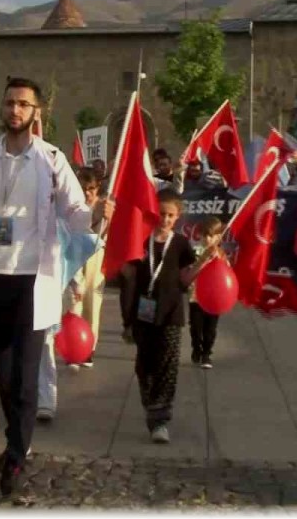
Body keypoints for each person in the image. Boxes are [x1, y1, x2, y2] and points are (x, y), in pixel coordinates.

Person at [0, 76, 111, 499]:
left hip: (32, 280)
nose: (15, 110)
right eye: (9, 103)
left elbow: (75, 211)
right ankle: (14, 440)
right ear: (2, 109)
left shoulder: (52, 160)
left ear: (36, 112)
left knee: (25, 375)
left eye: (23, 104)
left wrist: (94, 214)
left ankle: (17, 459)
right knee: (2, 372)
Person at [120, 189, 198, 444]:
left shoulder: (181, 244)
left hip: (171, 314)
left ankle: (160, 421)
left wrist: (204, 263)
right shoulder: (141, 240)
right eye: (161, 214)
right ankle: (151, 405)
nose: (165, 219)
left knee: (168, 367)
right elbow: (128, 278)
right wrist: (127, 320)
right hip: (143, 314)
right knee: (146, 367)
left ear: (178, 217)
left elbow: (186, 279)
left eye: (170, 215)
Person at [65, 167, 108, 372]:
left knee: (92, 305)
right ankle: (73, 347)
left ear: (97, 188)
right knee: (74, 304)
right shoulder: (73, 207)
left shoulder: (104, 207)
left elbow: (106, 233)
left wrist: (106, 217)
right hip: (74, 257)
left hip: (95, 258)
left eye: (91, 188)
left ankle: (88, 348)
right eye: (83, 188)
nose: (87, 192)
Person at [188, 216, 224, 369]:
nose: (208, 239)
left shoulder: (221, 254)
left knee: (210, 329)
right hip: (196, 297)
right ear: (200, 235)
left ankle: (207, 353)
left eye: (212, 235)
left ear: (219, 237)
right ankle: (196, 348)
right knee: (196, 327)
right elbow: (191, 270)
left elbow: (225, 273)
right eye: (205, 235)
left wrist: (219, 260)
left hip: (214, 299)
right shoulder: (195, 250)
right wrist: (203, 259)